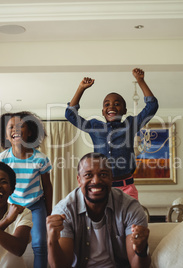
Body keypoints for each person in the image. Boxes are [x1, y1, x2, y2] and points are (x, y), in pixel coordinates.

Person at [65, 68, 159, 200]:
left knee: (132, 220)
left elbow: (152, 107)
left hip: (126, 188)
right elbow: (70, 115)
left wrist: (140, 81)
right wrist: (81, 88)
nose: (112, 106)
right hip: (102, 187)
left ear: (125, 110)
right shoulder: (94, 127)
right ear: (103, 111)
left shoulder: (130, 125)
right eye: (107, 104)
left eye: (117, 104)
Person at [47, 153, 151, 268]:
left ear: (111, 178)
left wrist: (141, 250)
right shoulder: (64, 211)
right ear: (79, 180)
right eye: (88, 175)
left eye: (103, 174)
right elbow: (61, 266)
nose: (96, 181)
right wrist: (52, 241)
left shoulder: (130, 207)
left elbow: (138, 266)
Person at [0, 111, 53, 268]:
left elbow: (47, 186)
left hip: (35, 205)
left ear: (30, 132)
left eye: (21, 126)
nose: (16, 130)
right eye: (11, 127)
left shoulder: (40, 159)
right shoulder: (2, 159)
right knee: (4, 241)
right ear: (6, 135)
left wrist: (48, 213)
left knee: (40, 244)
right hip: (11, 205)